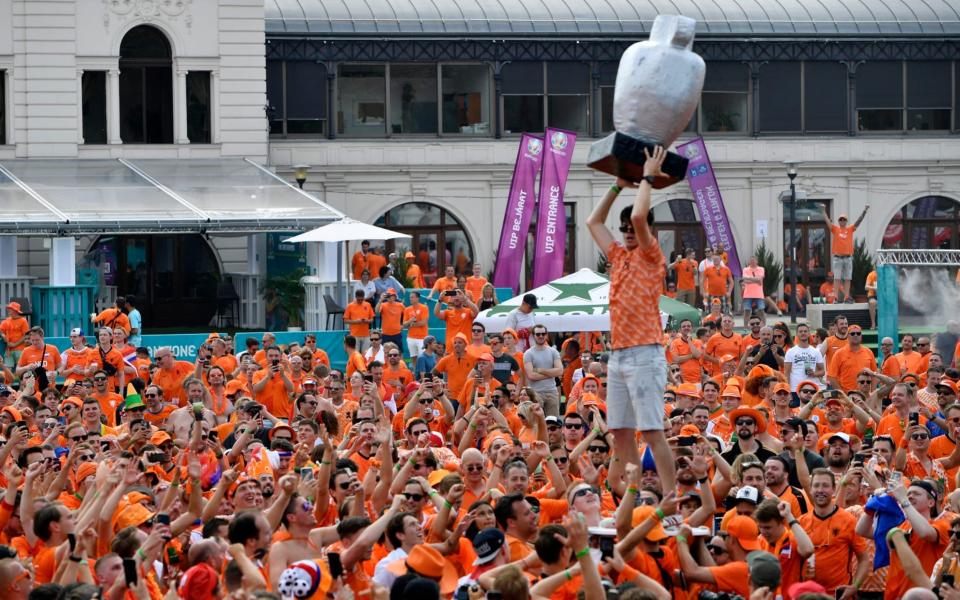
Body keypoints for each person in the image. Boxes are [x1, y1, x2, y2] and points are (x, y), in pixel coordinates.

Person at [586, 145, 676, 493]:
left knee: (652, 430)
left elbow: (640, 218)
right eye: (621, 227)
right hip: (619, 353)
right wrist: (618, 184)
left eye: (629, 227)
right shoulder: (618, 256)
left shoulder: (652, 256)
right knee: (620, 431)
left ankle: (669, 497)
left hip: (645, 351)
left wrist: (647, 178)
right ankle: (636, 495)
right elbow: (593, 221)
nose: (625, 230)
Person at [820, 203, 869, 303]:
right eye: (840, 219)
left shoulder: (850, 229)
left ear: (846, 221)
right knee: (837, 278)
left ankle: (846, 297)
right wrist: (823, 211)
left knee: (847, 278)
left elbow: (858, 222)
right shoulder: (835, 229)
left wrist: (865, 211)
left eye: (844, 219)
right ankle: (836, 298)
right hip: (838, 257)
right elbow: (827, 222)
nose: (842, 221)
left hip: (847, 258)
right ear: (838, 221)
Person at [523, 325, 563, 417]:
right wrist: (552, 373)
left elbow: (560, 371)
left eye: (543, 334)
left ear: (546, 335)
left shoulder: (553, 351)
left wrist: (541, 370)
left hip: (551, 391)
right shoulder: (528, 353)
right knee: (536, 423)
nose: (541, 336)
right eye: (538, 334)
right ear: (533, 336)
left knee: (553, 422)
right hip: (535, 393)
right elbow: (531, 375)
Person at [827, 325, 877, 392]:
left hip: (865, 396)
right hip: (847, 396)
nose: (855, 335)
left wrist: (872, 393)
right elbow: (831, 377)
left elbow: (874, 375)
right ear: (847, 336)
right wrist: (843, 394)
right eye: (853, 333)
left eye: (858, 333)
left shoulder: (868, 352)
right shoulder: (839, 353)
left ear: (861, 336)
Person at [344, 290, 375, 354]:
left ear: (364, 297)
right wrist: (356, 321)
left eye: (362, 299)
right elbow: (345, 320)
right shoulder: (350, 306)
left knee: (365, 355)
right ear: (356, 297)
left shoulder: (368, 305)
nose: (360, 301)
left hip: (366, 334)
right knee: (355, 355)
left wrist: (366, 321)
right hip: (354, 335)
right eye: (358, 300)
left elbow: (372, 320)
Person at [741, 255, 766, 323]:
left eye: (754, 260)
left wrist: (749, 279)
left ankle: (764, 326)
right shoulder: (745, 269)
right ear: (749, 262)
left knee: (761, 311)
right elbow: (744, 279)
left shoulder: (761, 269)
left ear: (757, 261)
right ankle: (745, 328)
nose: (752, 262)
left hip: (759, 294)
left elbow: (760, 280)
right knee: (747, 311)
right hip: (747, 294)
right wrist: (756, 280)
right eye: (751, 261)